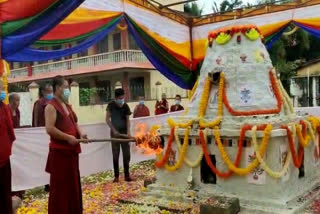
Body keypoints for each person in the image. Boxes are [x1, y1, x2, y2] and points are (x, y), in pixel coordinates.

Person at [45, 76, 87, 214]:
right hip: (60, 154)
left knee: (72, 186)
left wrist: (80, 134)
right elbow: (50, 129)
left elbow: (74, 122)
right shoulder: (51, 106)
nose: (67, 90)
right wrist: (67, 137)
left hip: (72, 153)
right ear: (57, 88)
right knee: (61, 189)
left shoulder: (67, 104)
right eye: (65, 87)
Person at [106, 88, 133, 183]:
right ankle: (116, 176)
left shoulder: (126, 106)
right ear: (116, 98)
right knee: (115, 155)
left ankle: (127, 175)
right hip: (114, 134)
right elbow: (107, 120)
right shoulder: (111, 106)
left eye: (123, 97)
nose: (122, 99)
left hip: (124, 133)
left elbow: (127, 120)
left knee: (126, 154)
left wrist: (128, 132)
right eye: (120, 98)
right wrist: (114, 130)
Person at [0, 80, 16, 214]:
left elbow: (10, 132)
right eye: (0, 89)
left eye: (3, 88)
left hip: (4, 158)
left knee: (5, 193)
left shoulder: (5, 108)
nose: (2, 92)